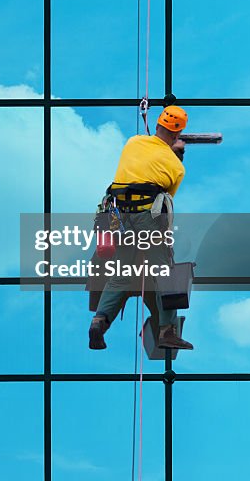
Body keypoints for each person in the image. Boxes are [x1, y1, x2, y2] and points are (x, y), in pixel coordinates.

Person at [88, 105, 194, 351]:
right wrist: (174, 154)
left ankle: (99, 322)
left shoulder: (134, 142)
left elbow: (146, 157)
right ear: (177, 136)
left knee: (122, 274)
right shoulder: (176, 166)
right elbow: (166, 195)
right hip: (147, 218)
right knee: (165, 273)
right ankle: (167, 331)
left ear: (157, 125)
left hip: (119, 218)